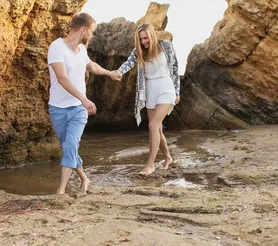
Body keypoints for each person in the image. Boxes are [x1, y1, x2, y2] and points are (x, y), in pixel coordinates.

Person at [48, 12, 121, 194]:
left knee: (71, 145)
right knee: (68, 147)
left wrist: (109, 73)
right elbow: (62, 77)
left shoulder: (83, 51)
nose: (92, 35)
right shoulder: (57, 47)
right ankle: (85, 178)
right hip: (58, 108)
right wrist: (84, 98)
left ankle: (61, 191)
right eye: (92, 31)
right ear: (83, 30)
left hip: (79, 109)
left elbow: (92, 66)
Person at [111, 23, 180, 176]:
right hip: (150, 90)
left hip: (166, 87)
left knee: (153, 126)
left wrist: (177, 92)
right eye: (141, 39)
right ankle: (168, 158)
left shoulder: (166, 46)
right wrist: (118, 71)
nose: (144, 42)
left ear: (151, 35)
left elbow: (175, 68)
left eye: (145, 38)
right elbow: (128, 63)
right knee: (157, 128)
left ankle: (150, 165)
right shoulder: (139, 51)